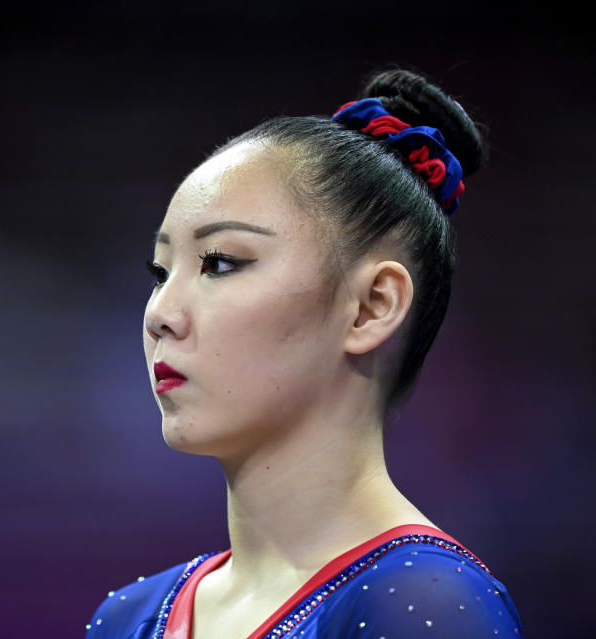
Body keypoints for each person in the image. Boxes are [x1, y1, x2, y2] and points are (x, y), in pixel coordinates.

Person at [84, 69, 523, 638]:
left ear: (370, 306)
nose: (159, 314)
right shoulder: (128, 618)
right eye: (160, 272)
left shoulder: (422, 603)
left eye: (219, 262)